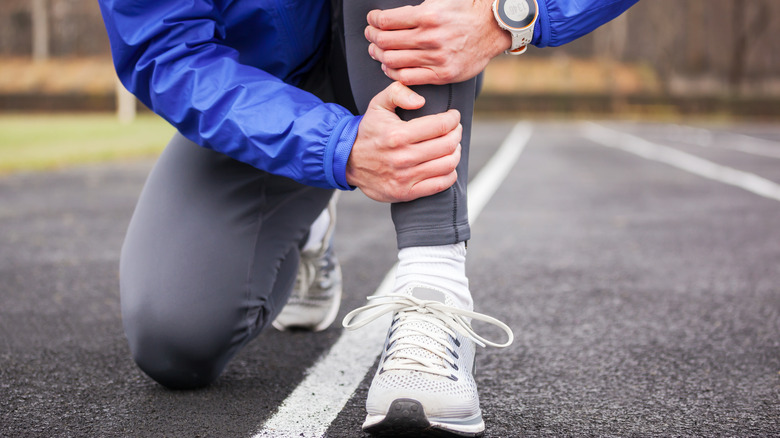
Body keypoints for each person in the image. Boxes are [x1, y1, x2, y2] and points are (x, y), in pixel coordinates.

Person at [98, 0, 639, 435]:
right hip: (265, 93)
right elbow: (166, 51)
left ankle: (434, 290)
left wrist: (516, 15)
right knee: (174, 340)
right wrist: (334, 145)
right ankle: (307, 220)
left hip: (400, 40)